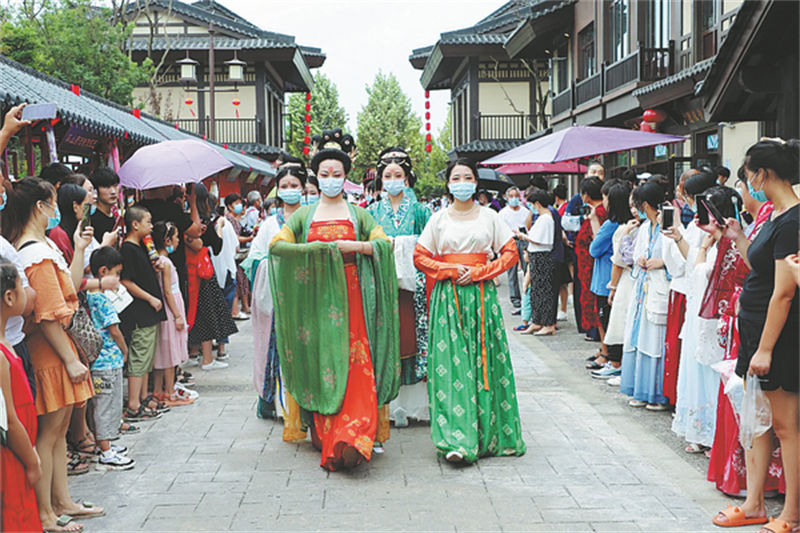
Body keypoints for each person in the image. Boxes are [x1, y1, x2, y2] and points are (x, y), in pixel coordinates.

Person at [269, 130, 399, 471]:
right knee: (323, 360)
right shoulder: (303, 216)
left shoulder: (359, 214)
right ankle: (328, 433)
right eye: (324, 175)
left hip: (354, 298)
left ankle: (355, 433)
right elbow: (277, 247)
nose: (330, 180)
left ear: (346, 176)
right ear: (316, 177)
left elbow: (384, 245)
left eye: (337, 174)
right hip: (317, 300)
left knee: (357, 362)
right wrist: (317, 251)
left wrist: (353, 248)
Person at [413, 157, 526, 464]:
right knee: (451, 366)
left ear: (476, 183)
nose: (462, 183)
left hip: (481, 299)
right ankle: (455, 440)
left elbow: (511, 252)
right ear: (448, 185)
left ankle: (489, 435)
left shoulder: (490, 216)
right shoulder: (438, 219)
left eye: (467, 178)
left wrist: (479, 272)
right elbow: (420, 257)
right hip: (448, 299)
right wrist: (449, 270)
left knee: (484, 363)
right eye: (456, 178)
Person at [6, 177, 103, 532]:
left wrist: (78, 249)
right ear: (40, 207)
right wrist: (71, 360)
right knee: (49, 433)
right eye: (52, 202)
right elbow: (48, 315)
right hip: (52, 352)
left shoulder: (43, 246)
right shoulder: (34, 252)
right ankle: (46, 512)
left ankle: (62, 501)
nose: (56, 210)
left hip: (58, 349)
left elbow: (69, 290)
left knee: (59, 431)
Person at [713, 139, 799, 533]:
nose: (749, 183)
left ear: (762, 174)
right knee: (759, 421)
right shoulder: (776, 215)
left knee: (785, 424)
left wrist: (765, 349)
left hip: (777, 336)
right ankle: (753, 504)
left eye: (749, 176)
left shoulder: (793, 220)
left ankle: (791, 514)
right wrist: (738, 237)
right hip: (755, 329)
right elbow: (758, 267)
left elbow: (783, 291)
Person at [671, 187, 741, 453]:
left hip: (717, 318)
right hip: (697, 313)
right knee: (696, 369)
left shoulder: (731, 241)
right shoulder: (710, 240)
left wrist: (703, 246)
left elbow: (702, 273)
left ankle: (714, 435)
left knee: (715, 373)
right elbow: (693, 269)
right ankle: (699, 430)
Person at [367, 147, 432, 430]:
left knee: (412, 339)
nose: (393, 179)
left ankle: (415, 404)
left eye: (399, 175)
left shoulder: (420, 210)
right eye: (387, 175)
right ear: (380, 180)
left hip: (413, 287)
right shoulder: (371, 212)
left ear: (407, 179)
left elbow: (430, 245)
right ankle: (390, 405)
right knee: (387, 339)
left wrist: (406, 245)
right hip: (383, 284)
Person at [247, 164, 305, 431]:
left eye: (295, 185)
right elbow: (254, 258)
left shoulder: (311, 218)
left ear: (303, 188)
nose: (290, 190)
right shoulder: (269, 224)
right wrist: (274, 265)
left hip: (306, 297)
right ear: (277, 190)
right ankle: (281, 405)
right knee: (279, 351)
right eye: (285, 186)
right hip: (276, 297)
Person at [661, 170, 718, 406]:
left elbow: (690, 264)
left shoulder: (704, 226)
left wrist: (678, 235)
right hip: (694, 292)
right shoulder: (697, 224)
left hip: (698, 293)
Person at [619, 182, 670, 410]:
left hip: (659, 287)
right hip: (643, 288)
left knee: (656, 340)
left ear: (646, 204)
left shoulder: (669, 226)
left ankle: (656, 393)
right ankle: (639, 388)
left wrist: (663, 262)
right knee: (639, 337)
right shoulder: (644, 228)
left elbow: (679, 258)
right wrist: (640, 259)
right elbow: (638, 252)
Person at [0, 258, 43, 533]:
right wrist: (32, 460)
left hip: (20, 450)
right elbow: (10, 420)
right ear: (9, 296)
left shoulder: (7, 342)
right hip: (13, 457)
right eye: (22, 285)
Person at [85, 246, 135, 469]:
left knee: (103, 403)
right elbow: (114, 329)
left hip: (98, 362)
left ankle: (105, 443)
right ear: (103, 272)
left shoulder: (88, 295)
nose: (118, 278)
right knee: (106, 404)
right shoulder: (102, 299)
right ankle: (105, 450)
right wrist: (124, 350)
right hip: (107, 360)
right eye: (116, 273)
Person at [119, 205, 167, 421]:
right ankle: (133, 404)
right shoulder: (127, 249)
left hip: (150, 311)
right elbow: (126, 281)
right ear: (134, 224)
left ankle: (143, 397)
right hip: (140, 311)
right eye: (147, 221)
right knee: (139, 357)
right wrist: (149, 297)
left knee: (147, 356)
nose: (150, 225)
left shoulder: (141, 247)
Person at [185, 184, 238, 370]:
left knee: (195, 312)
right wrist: (220, 228)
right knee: (207, 312)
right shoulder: (205, 222)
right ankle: (207, 358)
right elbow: (213, 245)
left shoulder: (186, 220)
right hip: (202, 274)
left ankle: (193, 352)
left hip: (191, 271)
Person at [594, 188, 641, 382]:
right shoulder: (630, 227)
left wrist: (612, 287)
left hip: (625, 280)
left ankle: (617, 364)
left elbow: (617, 260)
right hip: (630, 279)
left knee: (619, 323)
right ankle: (616, 363)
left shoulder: (623, 228)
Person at [587, 181, 632, 375]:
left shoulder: (610, 225)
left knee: (606, 320)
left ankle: (611, 359)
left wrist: (593, 222)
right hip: (620, 280)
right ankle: (608, 355)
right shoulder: (629, 223)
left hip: (606, 279)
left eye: (605, 198)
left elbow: (594, 249)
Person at [151, 222, 192, 406]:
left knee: (162, 351)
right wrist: (177, 315)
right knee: (170, 353)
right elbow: (167, 291)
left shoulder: (159, 261)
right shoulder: (165, 263)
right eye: (176, 238)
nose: (177, 242)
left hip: (169, 308)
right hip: (171, 308)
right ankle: (170, 391)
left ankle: (158, 391)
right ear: (167, 240)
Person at [516, 188, 557, 336]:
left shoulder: (546, 218)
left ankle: (547, 323)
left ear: (537, 204)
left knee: (543, 291)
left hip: (542, 256)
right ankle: (537, 321)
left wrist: (522, 236)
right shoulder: (543, 218)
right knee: (537, 291)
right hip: (537, 255)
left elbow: (538, 239)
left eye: (532, 204)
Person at [575, 177, 606, 343]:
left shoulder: (599, 213)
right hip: (587, 265)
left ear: (586, 195)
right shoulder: (596, 211)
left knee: (594, 301)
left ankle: (601, 342)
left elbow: (597, 242)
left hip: (593, 265)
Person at [498, 186, 532, 312]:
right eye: (511, 196)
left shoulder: (525, 211)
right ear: (507, 198)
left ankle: (527, 295)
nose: (513, 199)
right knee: (511, 272)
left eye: (516, 196)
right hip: (510, 241)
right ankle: (515, 298)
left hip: (523, 240)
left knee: (526, 269)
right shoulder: (503, 213)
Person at [223, 193, 253, 320]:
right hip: (234, 256)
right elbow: (235, 238)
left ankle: (244, 307)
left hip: (237, 255)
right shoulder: (229, 219)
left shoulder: (234, 219)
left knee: (242, 279)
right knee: (239, 280)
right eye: (236, 203)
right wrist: (249, 238)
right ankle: (239, 309)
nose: (239, 206)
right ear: (229, 206)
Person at [88, 167, 121, 243]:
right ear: (96, 190)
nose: (113, 191)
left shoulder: (115, 216)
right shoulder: (91, 220)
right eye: (106, 187)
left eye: (115, 185)